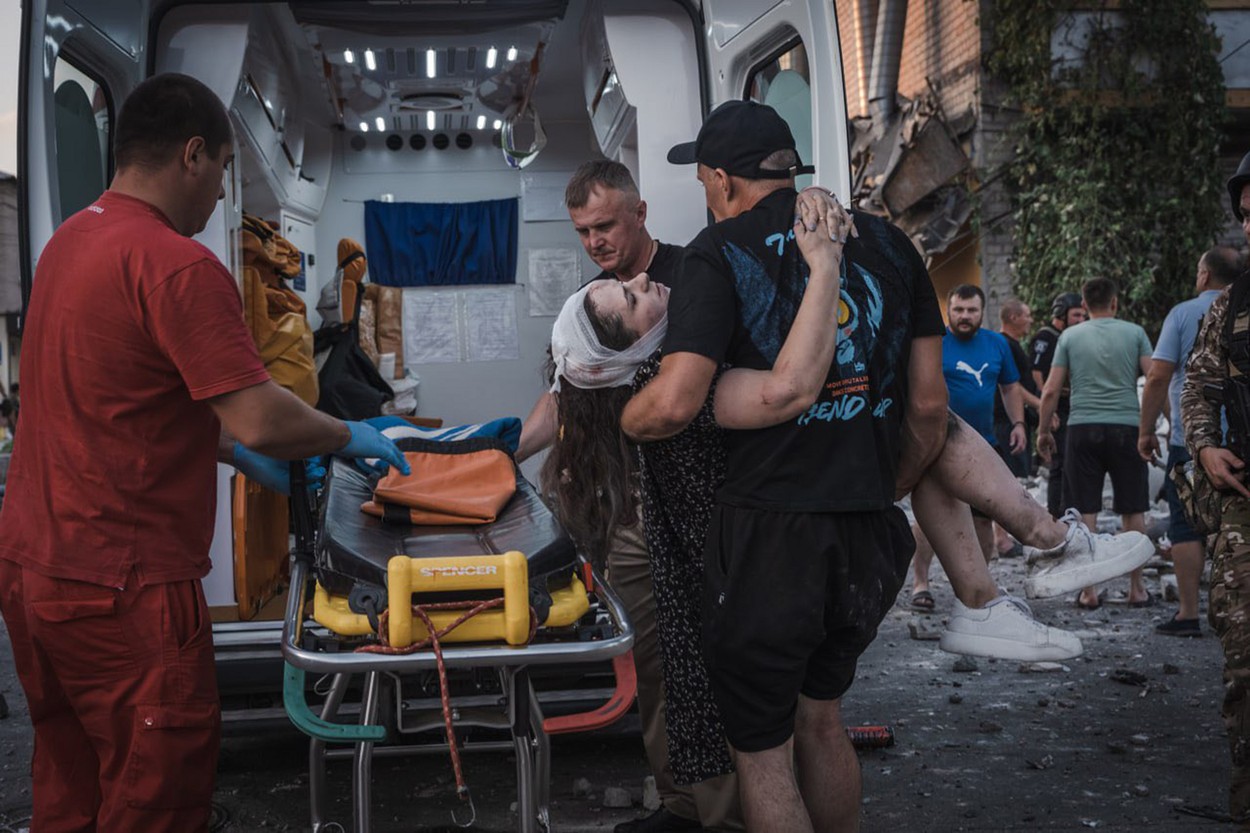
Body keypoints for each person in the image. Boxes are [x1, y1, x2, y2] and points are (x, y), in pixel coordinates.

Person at [0, 74, 408, 833]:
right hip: (125, 584)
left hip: (34, 573)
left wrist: (229, 453)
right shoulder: (178, 264)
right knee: (156, 790)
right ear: (192, 155)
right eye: (223, 169)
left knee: (71, 778)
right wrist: (346, 432)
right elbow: (259, 415)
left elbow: (125, 404)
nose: (222, 194)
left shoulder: (67, 245)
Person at [520, 160, 745, 833]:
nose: (595, 241)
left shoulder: (690, 279)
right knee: (654, 666)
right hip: (628, 514)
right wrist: (504, 453)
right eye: (583, 230)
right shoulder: (595, 306)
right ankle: (678, 802)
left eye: (606, 225)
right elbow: (563, 396)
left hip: (702, 506)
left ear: (640, 211)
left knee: (709, 664)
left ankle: (724, 812)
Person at [1181, 150, 1250, 822]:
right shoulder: (1230, 305)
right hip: (1243, 504)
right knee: (1245, 663)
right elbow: (1199, 383)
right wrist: (1203, 446)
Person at [1139, 246, 1239, 636]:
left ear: (1204, 276)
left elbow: (1159, 376)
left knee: (1186, 526)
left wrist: (1146, 431)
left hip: (1194, 439)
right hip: (1242, 440)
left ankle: (1188, 614)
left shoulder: (1183, 314)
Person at [1038, 277, 1153, 609]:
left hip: (1082, 429)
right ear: (1115, 303)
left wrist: (1043, 432)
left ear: (1084, 306)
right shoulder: (1135, 333)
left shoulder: (1070, 336)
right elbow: (1154, 377)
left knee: (1085, 509)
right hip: (1127, 428)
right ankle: (1138, 588)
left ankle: (1089, 590)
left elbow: (1050, 391)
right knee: (1133, 507)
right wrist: (1165, 423)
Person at [910, 284, 1026, 611]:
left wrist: (1018, 424)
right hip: (936, 445)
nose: (964, 316)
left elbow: (1010, 387)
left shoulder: (996, 344)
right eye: (959, 309)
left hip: (983, 447)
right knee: (929, 520)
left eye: (971, 310)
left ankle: (978, 591)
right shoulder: (933, 343)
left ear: (982, 311)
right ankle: (921, 583)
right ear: (949, 310)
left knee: (982, 521)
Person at [1031, 292, 1089, 518]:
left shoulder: (1071, 336)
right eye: (1076, 315)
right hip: (1056, 407)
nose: (1080, 320)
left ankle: (1068, 511)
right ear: (1061, 314)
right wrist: (1049, 407)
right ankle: (1056, 514)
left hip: (1069, 405)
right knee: (1060, 463)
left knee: (1071, 462)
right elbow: (1037, 374)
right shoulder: (1047, 337)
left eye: (1083, 315)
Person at [995, 298, 1041, 478]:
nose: (1031, 320)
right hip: (1007, 422)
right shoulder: (1004, 345)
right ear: (1014, 318)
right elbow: (1012, 386)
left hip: (1016, 421)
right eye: (1027, 316)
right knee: (1014, 478)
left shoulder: (1012, 344)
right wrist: (1041, 404)